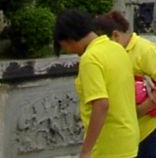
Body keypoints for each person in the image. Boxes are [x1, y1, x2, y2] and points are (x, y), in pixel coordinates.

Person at [54, 9, 139, 158]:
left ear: (70, 39)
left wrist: (86, 150)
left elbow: (101, 104)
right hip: (128, 138)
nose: (69, 50)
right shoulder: (117, 48)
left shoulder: (90, 59)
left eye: (65, 46)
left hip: (107, 143)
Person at [94, 10, 156, 158]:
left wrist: (140, 110)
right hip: (127, 133)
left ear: (115, 35)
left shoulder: (145, 49)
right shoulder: (109, 54)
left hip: (153, 128)